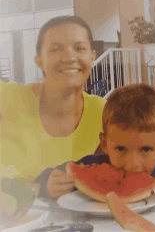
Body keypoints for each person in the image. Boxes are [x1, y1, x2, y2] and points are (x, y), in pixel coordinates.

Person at [48, 84, 155, 210]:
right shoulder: (90, 165)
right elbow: (47, 180)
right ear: (104, 143)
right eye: (121, 149)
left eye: (145, 149)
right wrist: (48, 183)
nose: (132, 164)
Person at [0, 16, 106, 196]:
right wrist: (39, 188)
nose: (69, 57)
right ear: (40, 61)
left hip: (78, 222)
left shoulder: (105, 113)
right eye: (55, 49)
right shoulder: (8, 97)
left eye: (79, 48)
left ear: (92, 57)